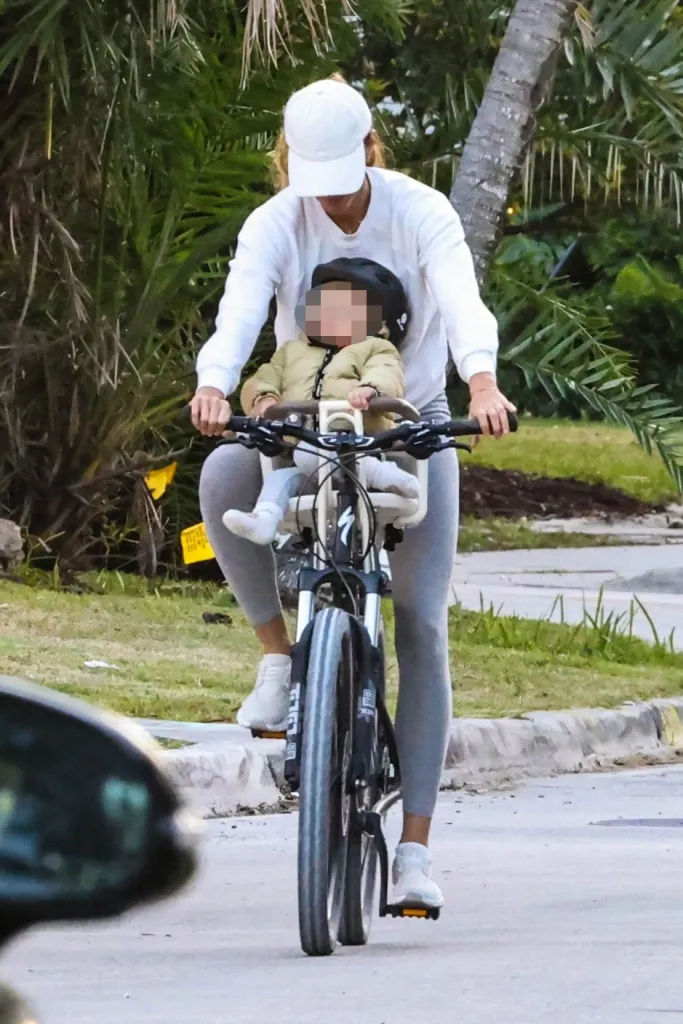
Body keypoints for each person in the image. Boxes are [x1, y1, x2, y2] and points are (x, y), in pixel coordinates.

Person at [191, 75, 516, 911]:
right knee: (223, 474)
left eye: (342, 178)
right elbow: (238, 311)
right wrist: (215, 383)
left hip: (409, 416)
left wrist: (481, 381)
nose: (331, 200)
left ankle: (413, 850)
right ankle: (277, 653)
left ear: (370, 150)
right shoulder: (275, 222)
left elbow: (460, 299)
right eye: (316, 182)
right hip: (304, 416)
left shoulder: (420, 211)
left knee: (421, 623)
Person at [222, 257, 419, 548]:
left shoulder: (377, 348)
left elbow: (387, 373)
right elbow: (263, 377)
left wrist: (371, 390)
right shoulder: (291, 352)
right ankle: (263, 520)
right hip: (306, 458)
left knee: (307, 454)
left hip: (357, 443)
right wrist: (264, 398)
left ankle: (377, 472)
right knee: (280, 479)